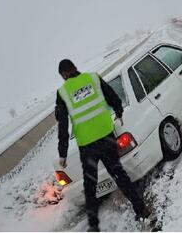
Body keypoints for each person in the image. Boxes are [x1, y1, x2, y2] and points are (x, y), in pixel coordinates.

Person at [55, 59, 150, 232]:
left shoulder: (63, 93)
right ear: (75, 67)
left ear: (63, 75)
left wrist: (63, 154)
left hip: (88, 146)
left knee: (90, 186)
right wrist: (119, 112)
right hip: (106, 138)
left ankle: (94, 227)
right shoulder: (93, 78)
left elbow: (62, 125)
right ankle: (141, 209)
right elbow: (113, 97)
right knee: (119, 175)